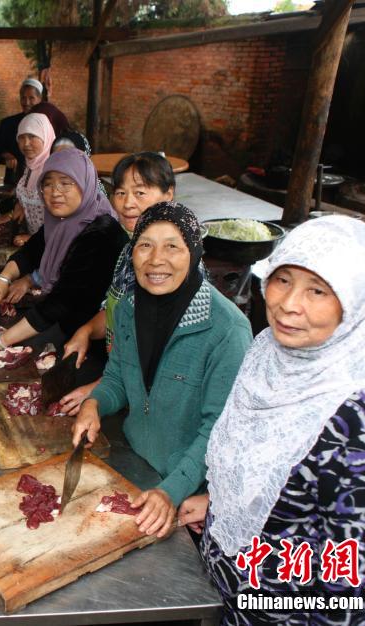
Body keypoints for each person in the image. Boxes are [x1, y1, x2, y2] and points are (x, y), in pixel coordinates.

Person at [178, 216, 365, 625]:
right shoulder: (268, 352)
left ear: (355, 301)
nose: (288, 304)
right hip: (217, 592)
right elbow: (268, 471)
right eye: (282, 280)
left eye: (317, 290)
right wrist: (222, 504)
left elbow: (350, 599)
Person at [72, 202, 252, 539]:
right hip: (135, 465)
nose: (156, 260)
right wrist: (94, 403)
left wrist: (172, 490)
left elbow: (220, 430)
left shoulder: (227, 330)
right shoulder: (128, 308)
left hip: (190, 491)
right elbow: (117, 377)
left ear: (194, 254)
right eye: (145, 245)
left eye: (172, 246)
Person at [0, 149, 126, 355]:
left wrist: (3, 339)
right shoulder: (63, 221)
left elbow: (63, 301)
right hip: (72, 330)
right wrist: (3, 278)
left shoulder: (101, 233)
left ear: (85, 184)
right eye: (48, 183)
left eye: (65, 183)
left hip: (100, 345)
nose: (55, 192)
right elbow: (32, 250)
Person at [59, 153, 177, 409]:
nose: (127, 204)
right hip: (119, 370)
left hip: (153, 396)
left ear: (168, 194)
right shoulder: (130, 249)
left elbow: (161, 349)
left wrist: (101, 388)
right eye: (121, 193)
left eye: (140, 193)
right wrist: (86, 330)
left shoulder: (174, 262)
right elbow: (117, 308)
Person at [7, 112, 56, 236]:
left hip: (53, 243)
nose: (26, 143)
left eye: (32, 136)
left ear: (45, 136)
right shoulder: (30, 167)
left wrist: (32, 239)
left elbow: (65, 221)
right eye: (21, 138)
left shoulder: (55, 171)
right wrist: (20, 205)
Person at [0, 78, 44, 187]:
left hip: (40, 182)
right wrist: (5, 155)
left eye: (31, 98)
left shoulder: (47, 126)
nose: (27, 102)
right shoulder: (8, 124)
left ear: (39, 99)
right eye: (23, 98)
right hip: (13, 182)